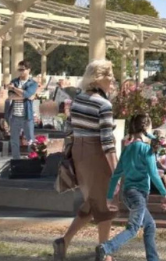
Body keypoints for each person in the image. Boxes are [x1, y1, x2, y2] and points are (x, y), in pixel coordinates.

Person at [54, 60, 117, 261]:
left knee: (91, 203)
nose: (113, 79)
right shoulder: (104, 104)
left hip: (79, 154)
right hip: (97, 154)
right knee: (106, 205)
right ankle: (103, 253)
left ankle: (64, 241)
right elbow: (107, 142)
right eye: (110, 75)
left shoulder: (78, 99)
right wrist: (117, 171)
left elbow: (69, 129)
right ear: (99, 78)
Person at [96, 113, 166, 261]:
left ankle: (153, 258)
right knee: (133, 229)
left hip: (127, 194)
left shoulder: (127, 149)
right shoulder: (146, 149)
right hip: (138, 195)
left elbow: (116, 175)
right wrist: (164, 193)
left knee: (149, 225)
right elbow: (154, 174)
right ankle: (106, 248)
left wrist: (110, 196)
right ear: (147, 128)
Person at [5, 60, 38, 159]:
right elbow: (10, 96)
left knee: (30, 140)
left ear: (28, 70)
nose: (20, 71)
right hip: (14, 116)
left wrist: (15, 89)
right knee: (14, 140)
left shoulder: (33, 83)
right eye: (19, 69)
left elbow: (27, 94)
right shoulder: (14, 81)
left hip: (27, 116)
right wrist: (25, 95)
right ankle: (16, 161)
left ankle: (32, 160)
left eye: (22, 69)